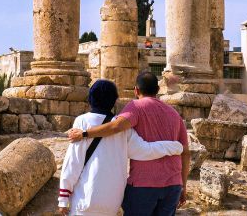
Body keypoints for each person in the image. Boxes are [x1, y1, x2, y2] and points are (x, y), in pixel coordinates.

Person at [66, 72, 189, 216]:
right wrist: (183, 186)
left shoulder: (136, 106)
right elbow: (186, 153)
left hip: (143, 185)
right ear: (157, 89)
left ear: (136, 90)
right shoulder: (174, 114)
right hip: (173, 185)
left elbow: (116, 126)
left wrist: (84, 133)